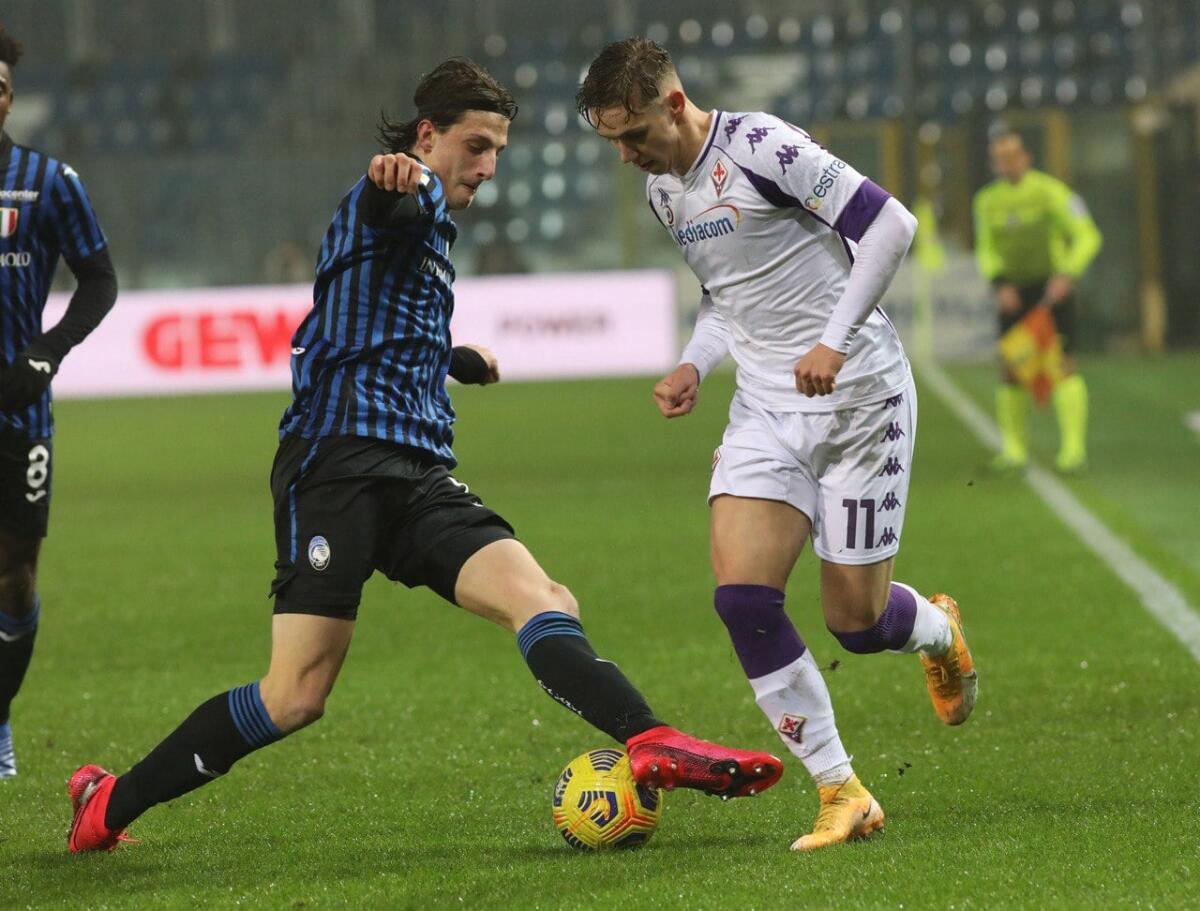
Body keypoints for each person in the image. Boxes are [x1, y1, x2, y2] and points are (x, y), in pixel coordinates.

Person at [66, 58, 782, 854]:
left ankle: (650, 739)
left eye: (499, 152)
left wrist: (453, 358)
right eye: (475, 146)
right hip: (336, 465)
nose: (488, 166)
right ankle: (106, 804)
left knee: (545, 596)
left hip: (417, 474)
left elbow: (367, 312)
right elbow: (383, 208)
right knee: (296, 694)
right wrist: (391, 180)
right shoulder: (405, 196)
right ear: (427, 136)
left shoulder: (433, 223)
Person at [576, 38, 977, 851]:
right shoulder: (665, 192)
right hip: (764, 408)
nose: (625, 156)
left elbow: (891, 226)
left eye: (632, 134)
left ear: (674, 104)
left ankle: (937, 631)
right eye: (612, 141)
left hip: (860, 398)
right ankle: (843, 789)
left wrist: (833, 340)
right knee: (744, 599)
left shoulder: (762, 147)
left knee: (856, 623)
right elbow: (728, 295)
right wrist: (694, 361)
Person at [0, 25, 118, 780]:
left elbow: (100, 280)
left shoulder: (47, 180)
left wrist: (47, 350)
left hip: (18, 415)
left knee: (13, 575)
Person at [973, 130, 1102, 473]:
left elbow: (1087, 235)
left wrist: (1068, 275)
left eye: (1012, 155)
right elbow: (985, 247)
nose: (1006, 163)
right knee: (1011, 368)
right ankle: (1014, 450)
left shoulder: (1051, 192)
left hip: (1051, 291)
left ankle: (1073, 450)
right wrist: (999, 283)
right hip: (1013, 293)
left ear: (1026, 157)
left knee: (1061, 365)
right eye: (999, 158)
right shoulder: (987, 201)